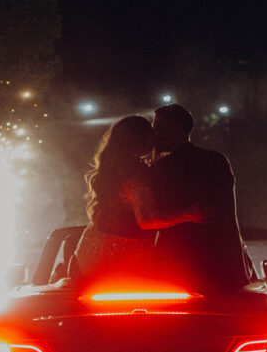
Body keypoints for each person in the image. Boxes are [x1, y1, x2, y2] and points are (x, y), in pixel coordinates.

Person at [72, 115, 204, 280]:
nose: (155, 137)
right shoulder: (136, 174)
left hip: (89, 251)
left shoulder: (112, 169)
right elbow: (147, 220)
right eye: (151, 133)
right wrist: (189, 214)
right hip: (121, 257)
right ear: (140, 140)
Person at [139, 103, 250, 291]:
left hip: (179, 267)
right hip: (224, 264)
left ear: (174, 130)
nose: (153, 134)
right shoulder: (217, 160)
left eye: (158, 127)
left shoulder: (163, 168)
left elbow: (152, 215)